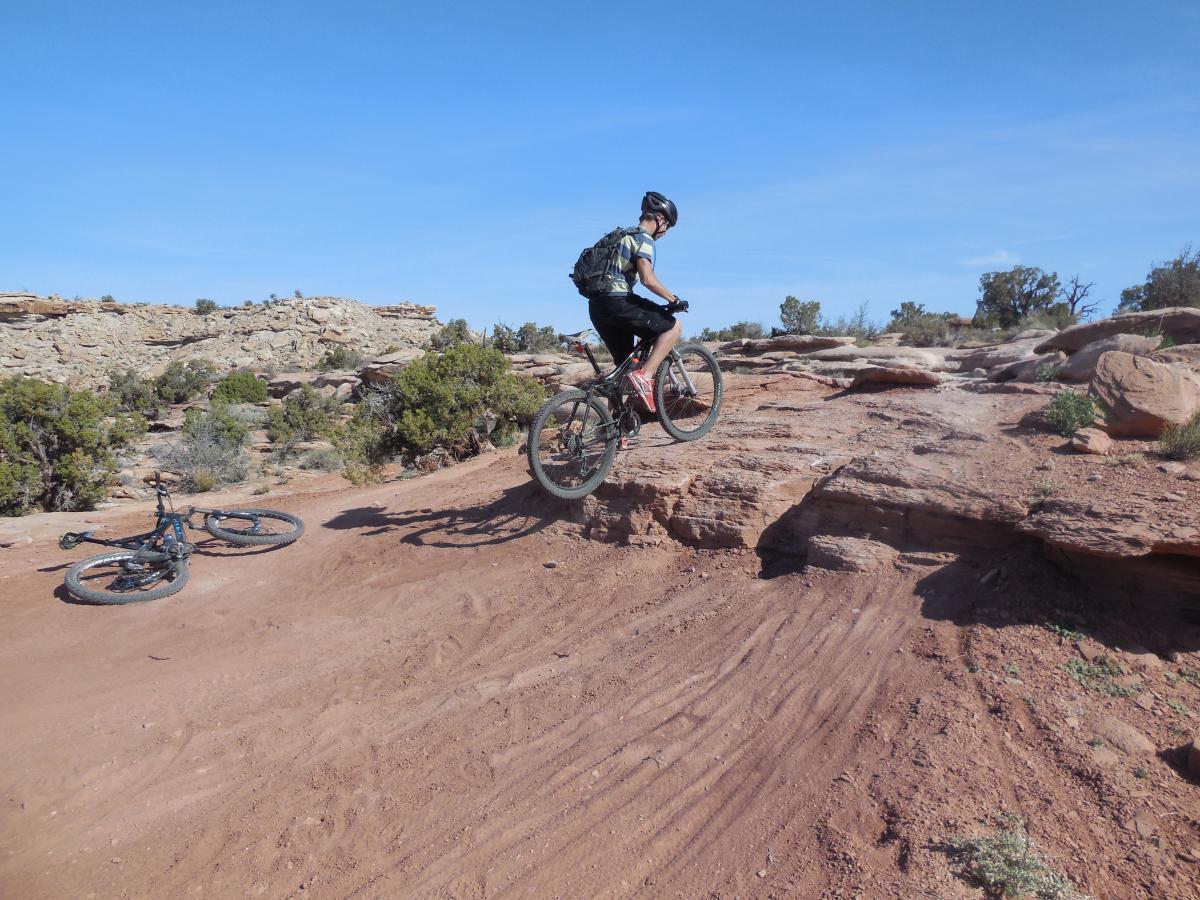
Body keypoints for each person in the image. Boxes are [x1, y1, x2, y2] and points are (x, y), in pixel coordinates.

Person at [584, 191, 682, 413]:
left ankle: (612, 431)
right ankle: (646, 377)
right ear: (659, 219)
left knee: (623, 370)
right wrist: (673, 299)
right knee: (673, 327)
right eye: (668, 226)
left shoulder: (620, 236)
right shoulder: (643, 238)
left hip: (597, 306)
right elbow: (648, 279)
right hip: (618, 301)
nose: (665, 232)